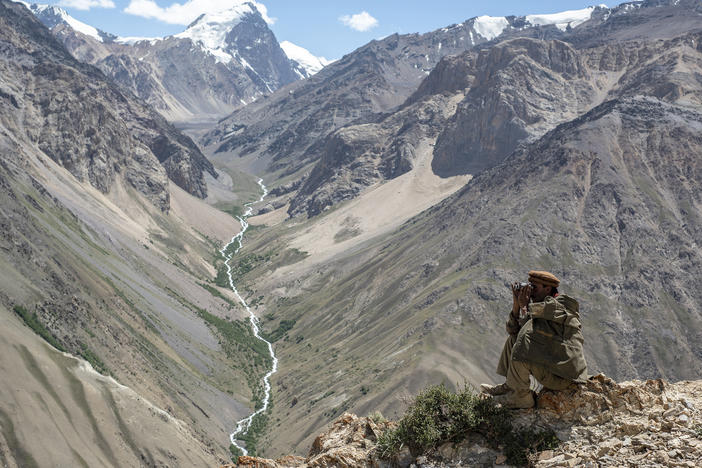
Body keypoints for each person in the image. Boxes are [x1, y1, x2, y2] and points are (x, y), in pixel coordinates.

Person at [480, 270, 588, 408]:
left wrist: (525, 306)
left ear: (547, 288)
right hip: (551, 364)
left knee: (523, 347)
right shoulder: (539, 308)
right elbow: (514, 331)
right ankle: (511, 387)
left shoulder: (561, 306)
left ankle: (521, 398)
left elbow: (528, 333)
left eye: (534, 288)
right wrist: (516, 305)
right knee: (514, 340)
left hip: (562, 375)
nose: (530, 291)